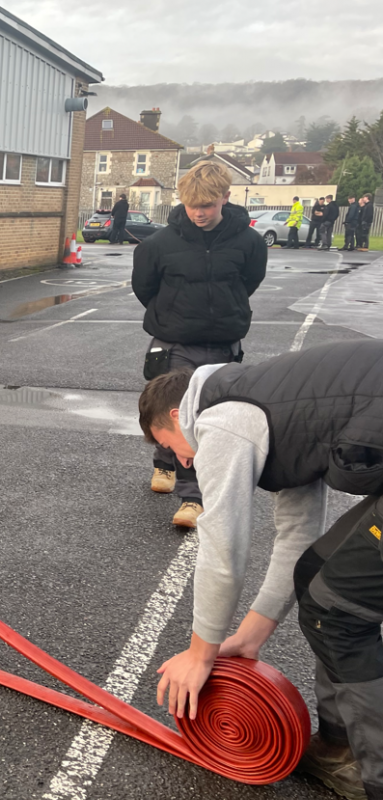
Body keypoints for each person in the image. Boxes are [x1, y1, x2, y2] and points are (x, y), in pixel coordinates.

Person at [143, 340, 383, 800]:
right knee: (321, 578)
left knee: (338, 613)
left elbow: (223, 544)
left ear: (177, 416)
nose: (182, 460)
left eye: (167, 446)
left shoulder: (222, 420)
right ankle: (340, 749)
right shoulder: (271, 408)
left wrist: (200, 652)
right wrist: (252, 634)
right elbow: (299, 535)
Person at [131, 162, 267, 528]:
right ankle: (170, 470)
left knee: (206, 421)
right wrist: (175, 314)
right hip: (174, 342)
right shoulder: (159, 244)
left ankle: (192, 495)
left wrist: (221, 312)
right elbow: (145, 287)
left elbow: (249, 281)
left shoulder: (249, 242)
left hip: (223, 343)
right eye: (192, 205)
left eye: (207, 205)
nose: (199, 213)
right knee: (173, 413)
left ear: (225, 198)